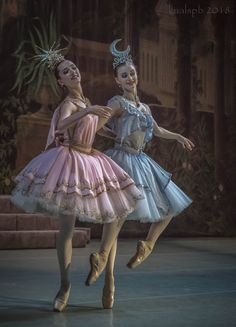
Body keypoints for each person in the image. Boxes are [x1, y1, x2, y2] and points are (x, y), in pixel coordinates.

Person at [11, 49, 143, 312]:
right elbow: (62, 125)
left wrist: (118, 137)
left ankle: (110, 281)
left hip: (91, 159)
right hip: (71, 162)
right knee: (68, 227)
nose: (73, 72)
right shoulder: (69, 104)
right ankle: (65, 284)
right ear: (61, 81)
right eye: (65, 71)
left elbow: (94, 129)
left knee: (111, 216)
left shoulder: (86, 102)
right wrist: (89, 111)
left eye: (73, 67)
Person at [86, 39, 195, 309]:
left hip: (142, 161)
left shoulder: (144, 108)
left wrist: (178, 136)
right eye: (124, 75)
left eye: (132, 73)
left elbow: (157, 131)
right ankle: (106, 271)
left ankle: (147, 245)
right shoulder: (118, 102)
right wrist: (106, 134)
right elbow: (98, 124)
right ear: (118, 80)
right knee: (118, 215)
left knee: (170, 206)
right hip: (123, 159)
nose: (130, 78)